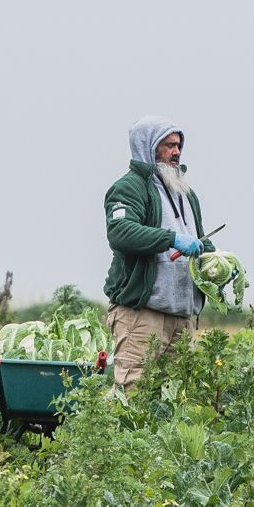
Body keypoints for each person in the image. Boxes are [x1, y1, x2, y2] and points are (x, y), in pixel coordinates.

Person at [103, 114, 211, 392]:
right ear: (148, 147)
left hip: (181, 316)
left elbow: (199, 241)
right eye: (168, 145)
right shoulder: (129, 188)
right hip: (142, 314)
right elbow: (121, 232)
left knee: (176, 398)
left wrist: (219, 262)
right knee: (133, 392)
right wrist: (171, 239)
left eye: (178, 146)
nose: (176, 152)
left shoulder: (185, 193)